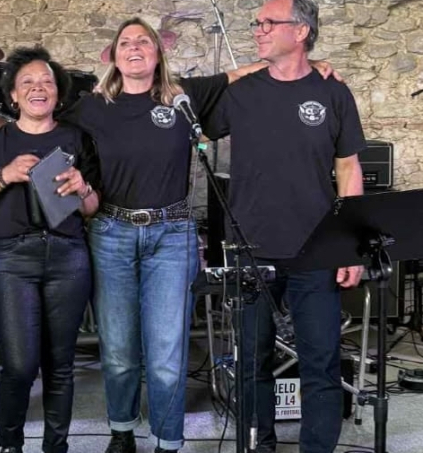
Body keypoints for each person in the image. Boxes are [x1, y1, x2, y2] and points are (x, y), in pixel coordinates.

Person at [59, 16, 339, 453]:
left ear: (158, 53)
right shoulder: (92, 106)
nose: (134, 48)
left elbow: (241, 73)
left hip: (172, 234)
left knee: (167, 352)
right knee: (118, 351)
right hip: (112, 232)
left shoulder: (182, 96)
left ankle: (167, 441)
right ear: (113, 55)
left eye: (144, 41)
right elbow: (45, 127)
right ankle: (122, 431)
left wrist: (308, 65)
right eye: (125, 42)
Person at [204, 1, 364, 452]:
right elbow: (190, 119)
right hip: (250, 250)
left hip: (316, 249)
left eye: (268, 22)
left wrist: (349, 245)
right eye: (257, 22)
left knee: (321, 362)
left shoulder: (333, 92)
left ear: (301, 31)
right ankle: (261, 445)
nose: (258, 30)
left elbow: (349, 168)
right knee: (251, 362)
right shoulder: (240, 92)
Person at [0, 46, 101, 453]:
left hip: (69, 256)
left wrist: (82, 188)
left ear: (58, 92)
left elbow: (92, 208)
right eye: (28, 83)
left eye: (46, 82)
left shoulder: (76, 139)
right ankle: (10, 445)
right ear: (13, 95)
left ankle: (56, 446)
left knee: (61, 366)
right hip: (13, 260)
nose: (39, 88)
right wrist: (4, 176)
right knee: (19, 365)